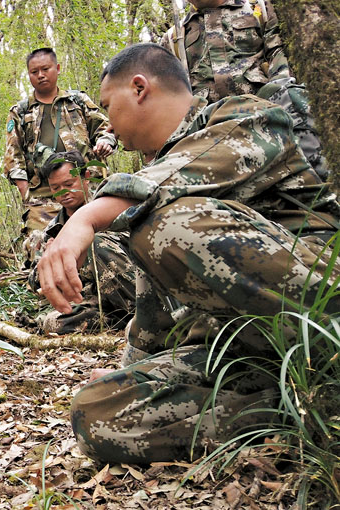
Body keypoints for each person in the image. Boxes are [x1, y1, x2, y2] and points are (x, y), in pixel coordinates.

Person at [36, 43, 339, 464]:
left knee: (163, 223)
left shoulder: (245, 114)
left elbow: (169, 182)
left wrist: (84, 218)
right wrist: (131, 370)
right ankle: (300, 407)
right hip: (248, 349)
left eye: (108, 106)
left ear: (139, 88)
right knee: (97, 412)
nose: (109, 123)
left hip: (321, 307)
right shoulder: (153, 185)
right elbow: (152, 311)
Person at [161, 0, 327, 179]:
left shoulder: (259, 7)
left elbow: (279, 59)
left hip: (271, 114)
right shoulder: (174, 38)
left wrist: (275, 106)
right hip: (216, 135)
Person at [3, 47, 117, 265]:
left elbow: (105, 129)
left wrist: (105, 142)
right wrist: (26, 193)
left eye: (45, 69)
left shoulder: (78, 101)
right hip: (44, 195)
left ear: (57, 68)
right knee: (41, 248)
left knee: (103, 240)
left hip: (86, 186)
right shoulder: (21, 111)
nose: (40, 75)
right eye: (34, 72)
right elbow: (13, 156)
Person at [27, 151, 135, 334]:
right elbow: (34, 280)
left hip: (132, 285)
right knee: (53, 323)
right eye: (55, 188)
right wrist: (52, 258)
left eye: (69, 184)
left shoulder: (110, 206)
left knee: (95, 243)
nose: (64, 192)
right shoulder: (53, 231)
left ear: (86, 178)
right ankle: (121, 320)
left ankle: (144, 313)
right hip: (94, 299)